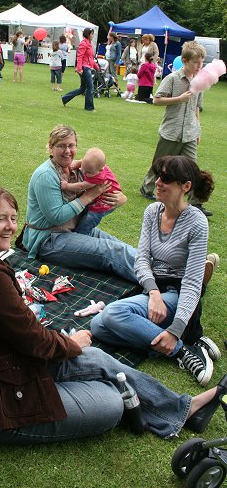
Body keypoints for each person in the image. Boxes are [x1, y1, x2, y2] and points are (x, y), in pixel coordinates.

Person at [0, 185, 226, 443]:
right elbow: (33, 340)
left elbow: (22, 331)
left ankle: (184, 409)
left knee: (96, 359)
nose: (10, 226)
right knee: (111, 403)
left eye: (13, 219)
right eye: (0, 219)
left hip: (2, 368)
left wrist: (71, 347)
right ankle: (143, 405)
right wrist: (72, 345)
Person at [91, 156, 220, 386]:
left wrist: (176, 329)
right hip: (155, 291)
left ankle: (181, 350)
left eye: (167, 179)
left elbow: (192, 282)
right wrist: (153, 293)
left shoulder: (197, 223)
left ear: (186, 187)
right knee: (98, 327)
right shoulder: (152, 211)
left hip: (177, 292)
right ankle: (184, 343)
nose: (158, 182)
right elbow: (142, 260)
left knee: (113, 315)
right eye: (158, 175)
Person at [21, 125, 136, 279]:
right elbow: (56, 217)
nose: (67, 151)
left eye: (71, 145)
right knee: (110, 251)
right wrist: (90, 195)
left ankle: (163, 270)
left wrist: (121, 199)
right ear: (50, 148)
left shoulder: (82, 167)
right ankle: (155, 283)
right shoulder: (45, 175)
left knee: (121, 247)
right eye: (61, 146)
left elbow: (107, 182)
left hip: (75, 228)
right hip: (49, 238)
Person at [139, 41, 212, 217]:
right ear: (185, 60)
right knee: (160, 164)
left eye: (201, 62)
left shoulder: (199, 82)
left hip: (189, 133)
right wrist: (178, 98)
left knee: (192, 168)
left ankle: (196, 201)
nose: (199, 66)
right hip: (170, 131)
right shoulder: (172, 79)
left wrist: (198, 130)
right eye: (196, 62)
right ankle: (147, 187)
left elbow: (196, 108)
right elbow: (156, 100)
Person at [60, 147, 122, 235]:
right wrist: (77, 164)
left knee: (90, 219)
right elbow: (82, 162)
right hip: (97, 198)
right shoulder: (93, 166)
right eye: (83, 168)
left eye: (89, 172)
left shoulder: (98, 177)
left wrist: (67, 186)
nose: (84, 173)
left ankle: (80, 235)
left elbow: (81, 186)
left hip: (104, 203)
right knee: (83, 212)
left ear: (100, 170)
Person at [61, 28, 98, 112]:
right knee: (90, 87)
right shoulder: (83, 44)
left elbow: (90, 57)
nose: (93, 35)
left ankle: (65, 98)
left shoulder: (89, 44)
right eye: (92, 34)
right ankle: (89, 107)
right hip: (84, 68)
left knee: (82, 88)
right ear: (88, 35)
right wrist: (79, 68)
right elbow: (79, 56)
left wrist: (96, 66)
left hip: (87, 67)